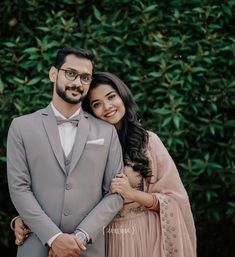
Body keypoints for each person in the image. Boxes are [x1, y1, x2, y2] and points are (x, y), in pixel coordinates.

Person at [12, 72, 197, 257]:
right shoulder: (81, 142)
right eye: (96, 104)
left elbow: (173, 200)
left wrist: (131, 193)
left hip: (140, 237)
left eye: (111, 97)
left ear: (122, 95)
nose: (107, 107)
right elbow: (65, 189)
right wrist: (26, 219)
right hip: (98, 239)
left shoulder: (148, 142)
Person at [7, 49, 124, 257]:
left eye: (85, 77)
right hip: (35, 246)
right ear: (54, 74)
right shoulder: (21, 127)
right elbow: (19, 188)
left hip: (87, 249)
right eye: (71, 73)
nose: (78, 82)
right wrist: (54, 238)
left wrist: (78, 238)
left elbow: (114, 194)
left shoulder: (106, 131)